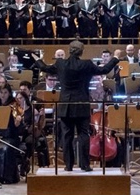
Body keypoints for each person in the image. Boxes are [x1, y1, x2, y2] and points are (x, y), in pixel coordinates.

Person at [34, 41, 120, 171]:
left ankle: (68, 166)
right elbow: (104, 70)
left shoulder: (61, 63)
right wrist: (116, 57)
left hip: (66, 105)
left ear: (69, 50)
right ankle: (85, 165)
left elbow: (45, 68)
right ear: (81, 52)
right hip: (81, 104)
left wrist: (38, 59)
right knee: (83, 135)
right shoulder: (87, 64)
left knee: (67, 135)